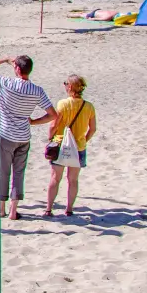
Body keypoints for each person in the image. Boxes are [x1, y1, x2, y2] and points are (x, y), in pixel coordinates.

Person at [0, 55, 55, 221]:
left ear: (17, 69)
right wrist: (34, 121)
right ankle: (14, 210)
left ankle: (1, 208)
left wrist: (5, 60)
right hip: (23, 135)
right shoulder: (37, 90)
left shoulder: (7, 83)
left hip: (6, 134)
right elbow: (52, 114)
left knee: (4, 171)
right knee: (19, 173)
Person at [44, 75, 96, 218]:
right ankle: (69, 209)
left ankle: (49, 209)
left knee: (55, 178)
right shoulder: (89, 106)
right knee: (73, 180)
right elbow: (92, 129)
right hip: (78, 146)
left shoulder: (63, 104)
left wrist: (50, 138)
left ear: (70, 87)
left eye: (66, 83)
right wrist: (83, 140)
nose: (65, 85)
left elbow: (54, 124)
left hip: (60, 144)